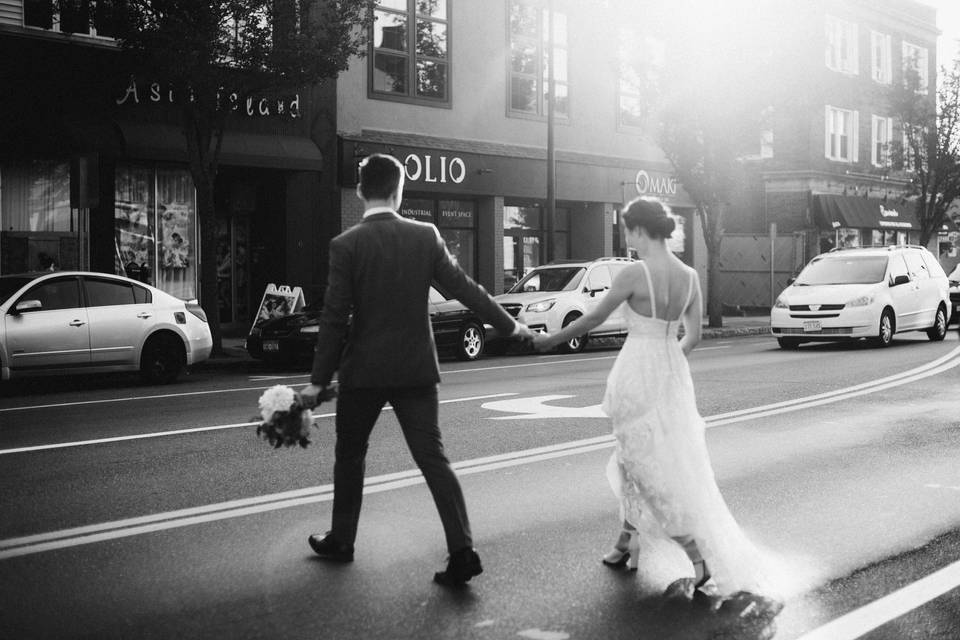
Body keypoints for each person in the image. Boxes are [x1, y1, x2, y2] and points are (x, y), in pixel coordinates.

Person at [301, 153, 534, 586]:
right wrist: (511, 325)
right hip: (416, 371)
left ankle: (342, 540)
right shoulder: (425, 236)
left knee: (350, 456)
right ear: (399, 190)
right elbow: (466, 289)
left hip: (363, 373)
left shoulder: (345, 245)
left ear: (359, 191)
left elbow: (333, 318)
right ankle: (462, 551)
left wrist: (318, 381)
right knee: (433, 459)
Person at [533, 197, 773, 601]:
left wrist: (548, 339)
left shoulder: (634, 273)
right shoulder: (690, 277)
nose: (627, 238)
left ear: (641, 230)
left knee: (645, 470)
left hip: (635, 373)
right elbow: (692, 337)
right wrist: (667, 367)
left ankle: (697, 557)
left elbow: (591, 319)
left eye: (628, 230)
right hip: (671, 374)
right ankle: (627, 543)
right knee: (649, 464)